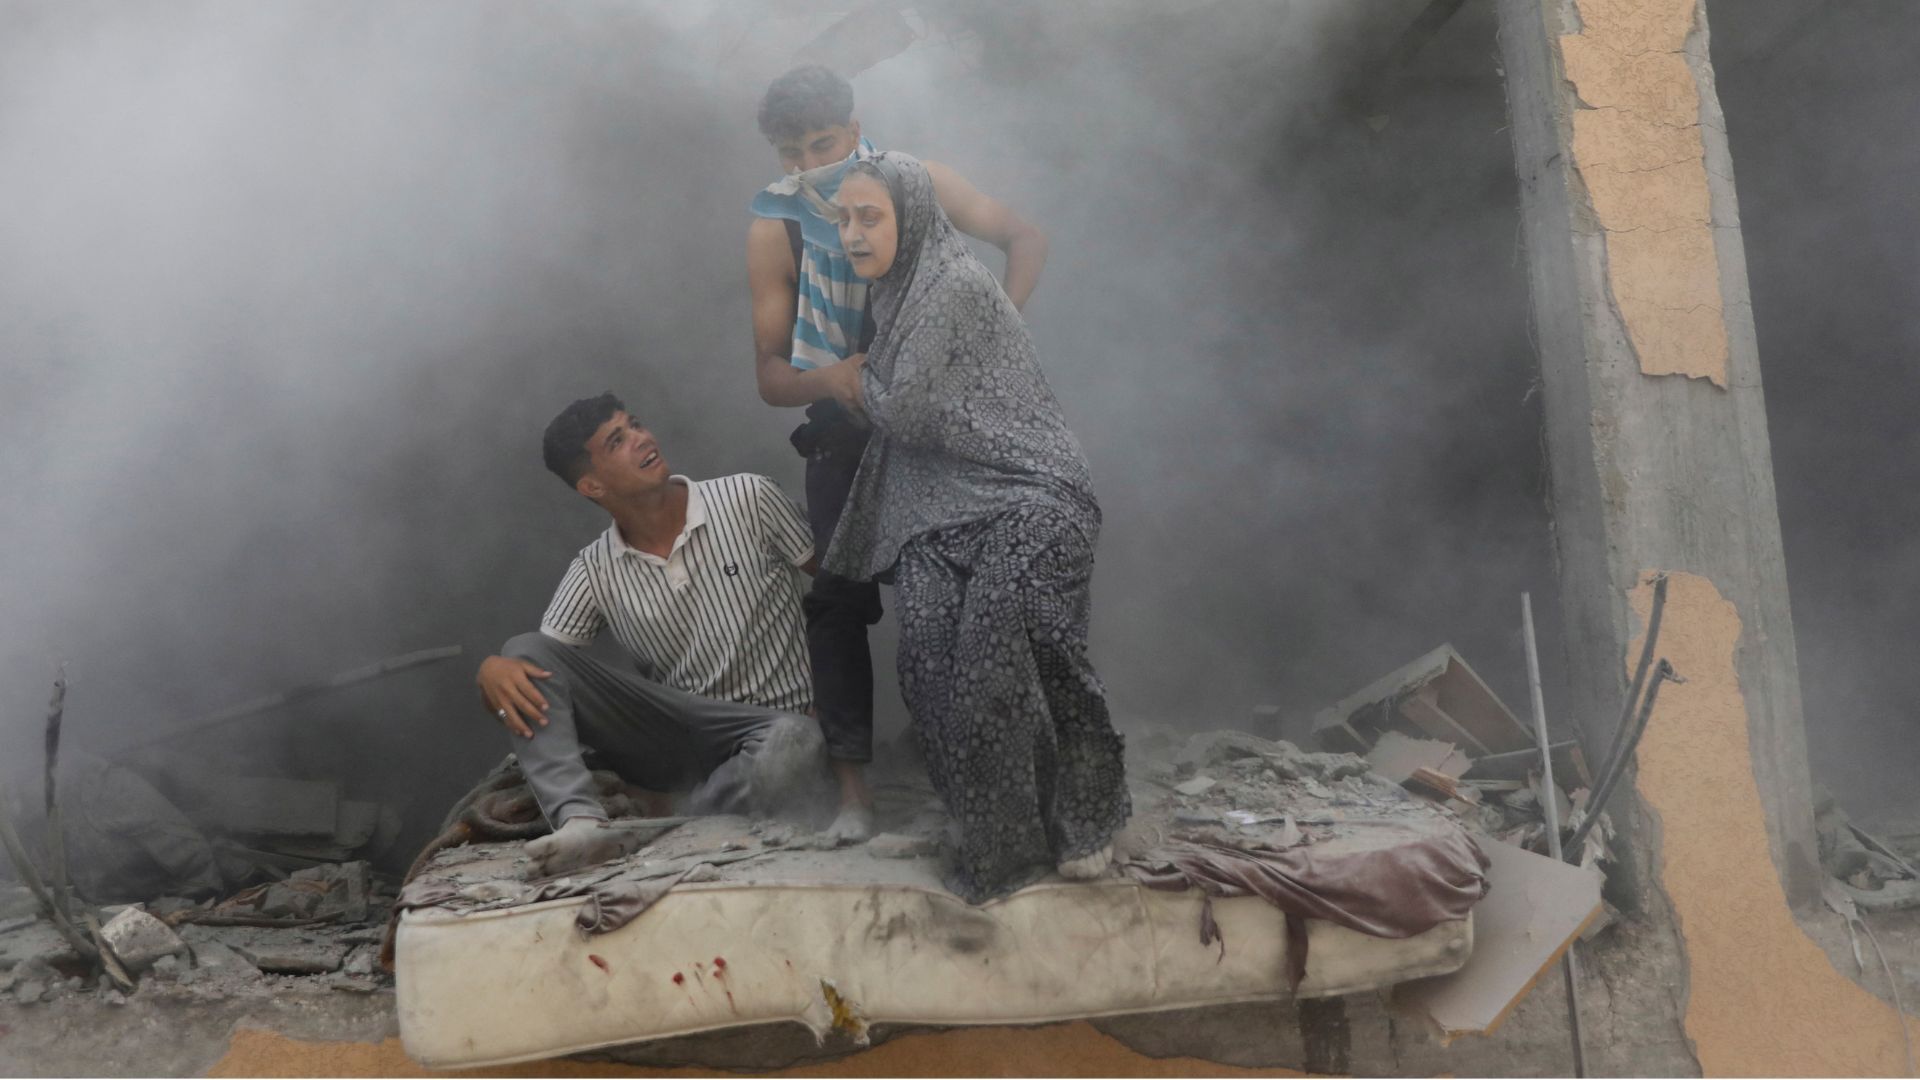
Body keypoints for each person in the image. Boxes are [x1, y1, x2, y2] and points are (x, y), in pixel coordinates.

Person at [746, 65, 1049, 844]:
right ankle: (855, 798)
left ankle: (975, 783)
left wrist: (993, 328)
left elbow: (1024, 236)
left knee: (954, 597)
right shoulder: (775, 226)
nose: (810, 165)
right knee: (835, 605)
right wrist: (831, 376)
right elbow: (771, 375)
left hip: (941, 428)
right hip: (843, 429)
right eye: (792, 153)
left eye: (823, 144)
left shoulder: (919, 185)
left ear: (854, 131)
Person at [822, 153, 1129, 903]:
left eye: (870, 217)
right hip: (940, 518)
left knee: (1004, 629)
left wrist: (854, 378)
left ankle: (1087, 818)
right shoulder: (893, 295)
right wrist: (860, 378)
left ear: (913, 218)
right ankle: (1001, 841)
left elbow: (910, 412)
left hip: (1029, 494)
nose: (853, 234)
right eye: (844, 219)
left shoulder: (954, 285)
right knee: (926, 656)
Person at [475, 392, 829, 875]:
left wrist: (836, 698)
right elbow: (543, 674)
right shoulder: (595, 569)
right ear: (592, 485)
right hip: (683, 732)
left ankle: (665, 818)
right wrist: (492, 671)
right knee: (523, 653)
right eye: (617, 440)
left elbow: (841, 587)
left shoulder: (748, 498)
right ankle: (581, 823)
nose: (642, 438)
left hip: (776, 726)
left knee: (796, 742)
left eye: (636, 425)